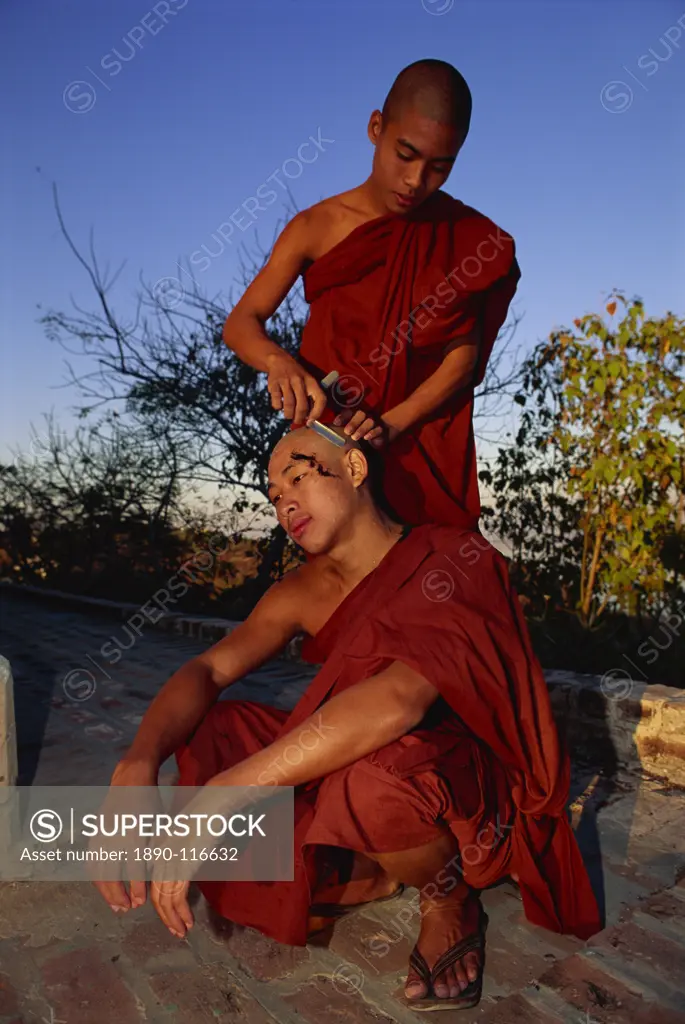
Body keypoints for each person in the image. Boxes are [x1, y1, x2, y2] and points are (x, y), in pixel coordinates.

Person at [95, 426, 601, 1012]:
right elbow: (209, 669)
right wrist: (137, 761)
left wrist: (224, 792)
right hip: (369, 758)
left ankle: (446, 896)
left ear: (355, 467)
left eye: (299, 476)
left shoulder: (453, 556)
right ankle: (375, 865)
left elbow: (399, 699)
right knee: (217, 728)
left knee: (372, 781)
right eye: (272, 493)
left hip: (460, 779)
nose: (283, 500)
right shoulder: (302, 591)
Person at [222, 58, 520, 530]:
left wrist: (393, 425)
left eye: (439, 167)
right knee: (332, 584)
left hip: (416, 446)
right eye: (406, 154)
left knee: (424, 586)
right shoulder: (315, 227)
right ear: (376, 127)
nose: (415, 181)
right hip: (330, 442)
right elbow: (241, 323)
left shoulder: (463, 237)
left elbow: (462, 359)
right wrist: (278, 362)